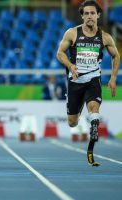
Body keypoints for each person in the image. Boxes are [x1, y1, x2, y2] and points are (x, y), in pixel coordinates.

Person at [57, 0, 120, 166]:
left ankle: (93, 128)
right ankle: (85, 117)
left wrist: (113, 78)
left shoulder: (105, 37)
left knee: (94, 107)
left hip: (93, 80)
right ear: (82, 16)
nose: (89, 16)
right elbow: (60, 53)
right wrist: (71, 65)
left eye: (92, 13)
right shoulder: (72, 33)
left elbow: (116, 56)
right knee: (72, 122)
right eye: (86, 13)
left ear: (98, 15)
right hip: (75, 81)